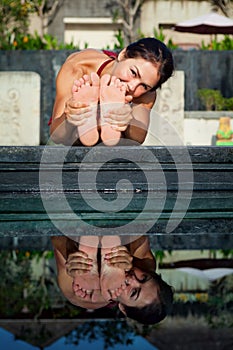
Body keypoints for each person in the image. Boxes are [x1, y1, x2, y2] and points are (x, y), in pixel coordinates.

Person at [49, 37, 174, 146]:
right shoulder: (77, 67)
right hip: (74, 135)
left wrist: (127, 119)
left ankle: (101, 121)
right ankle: (90, 121)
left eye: (144, 86)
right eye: (133, 73)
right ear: (123, 55)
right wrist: (70, 115)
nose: (132, 87)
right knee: (72, 133)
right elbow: (56, 135)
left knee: (125, 138)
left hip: (111, 141)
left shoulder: (147, 92)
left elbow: (139, 138)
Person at [51, 235, 173, 325]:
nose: (133, 279)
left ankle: (83, 260)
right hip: (117, 226)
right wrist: (125, 252)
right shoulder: (146, 264)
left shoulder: (82, 294)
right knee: (135, 236)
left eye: (133, 292)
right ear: (151, 273)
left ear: (123, 308)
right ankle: (109, 253)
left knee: (78, 289)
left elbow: (55, 236)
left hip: (85, 290)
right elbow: (140, 228)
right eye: (144, 278)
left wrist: (72, 258)